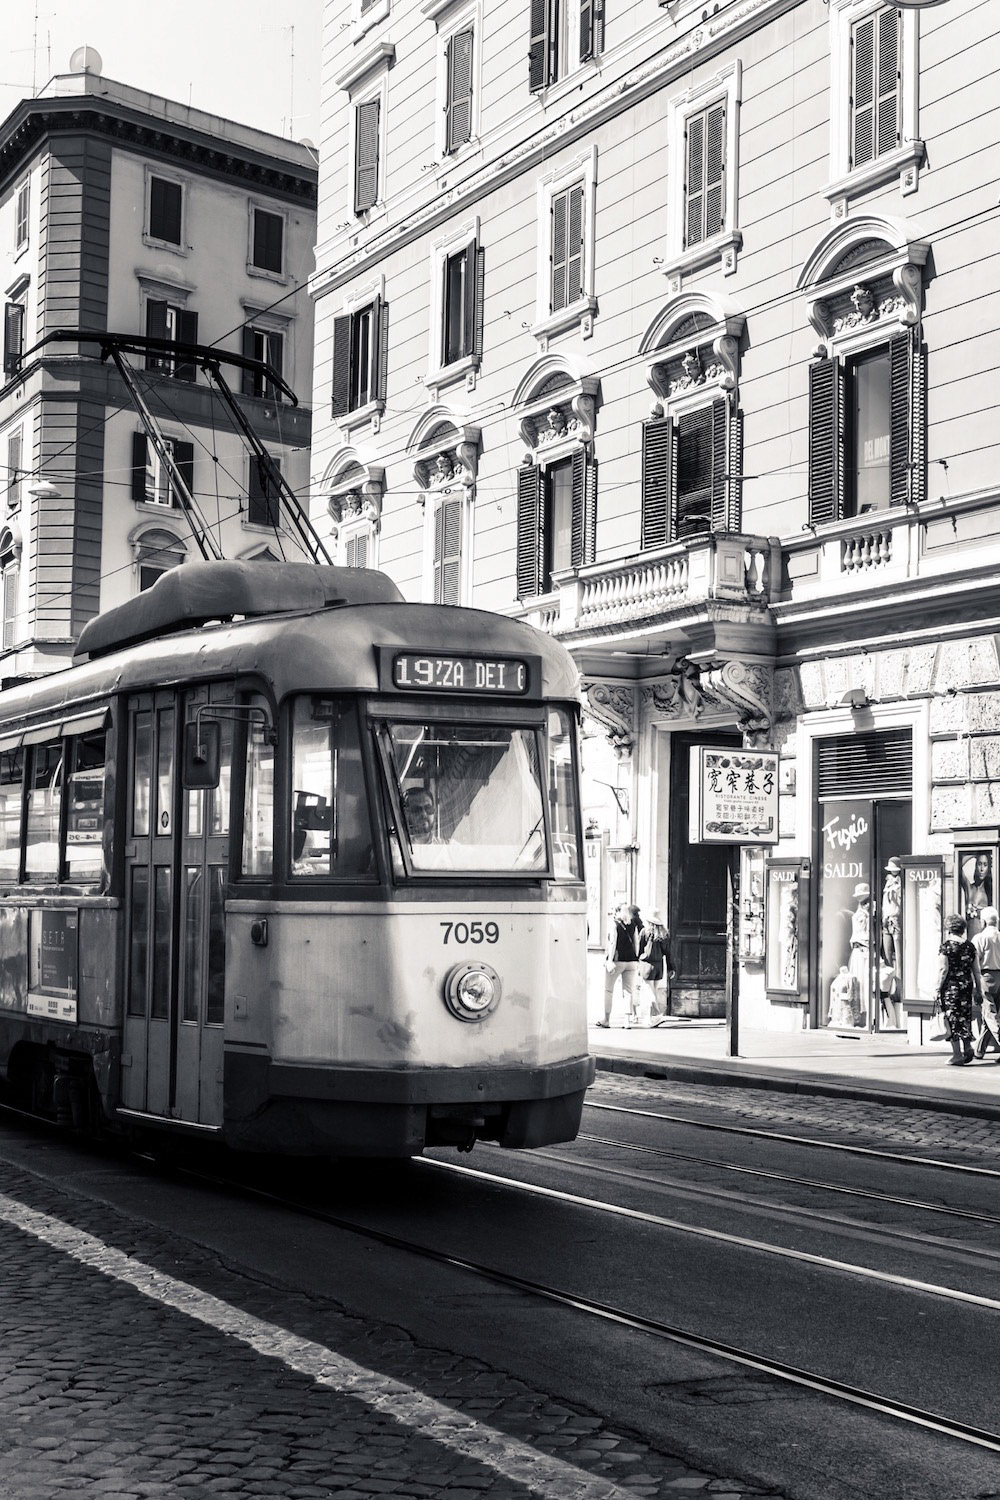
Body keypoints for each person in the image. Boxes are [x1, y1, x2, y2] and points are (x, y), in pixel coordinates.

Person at [936, 913, 983, 1065]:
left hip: (951, 988)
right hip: (966, 987)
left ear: (948, 929)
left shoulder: (947, 946)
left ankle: (957, 1054)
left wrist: (937, 988)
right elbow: (976, 971)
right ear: (963, 928)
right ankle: (968, 1046)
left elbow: (943, 969)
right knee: (965, 1016)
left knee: (952, 1019)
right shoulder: (970, 946)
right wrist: (978, 990)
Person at [599, 903, 641, 1028]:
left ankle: (606, 1020)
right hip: (631, 961)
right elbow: (636, 943)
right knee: (628, 991)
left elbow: (612, 943)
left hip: (617, 960)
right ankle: (627, 1021)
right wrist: (636, 957)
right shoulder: (633, 924)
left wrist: (609, 960)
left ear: (617, 912)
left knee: (608, 989)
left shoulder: (614, 924)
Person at [636, 911, 674, 1026]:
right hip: (659, 965)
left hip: (646, 964)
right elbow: (668, 953)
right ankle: (649, 1018)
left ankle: (657, 1014)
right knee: (653, 992)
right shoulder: (664, 934)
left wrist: (637, 963)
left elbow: (639, 949)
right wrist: (671, 968)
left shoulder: (644, 932)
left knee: (649, 992)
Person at [972, 905, 1000, 1061]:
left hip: (986, 976)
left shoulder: (979, 938)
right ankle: (979, 1050)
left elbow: (975, 963)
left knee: (990, 1015)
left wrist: (974, 984)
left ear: (983, 921)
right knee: (989, 1016)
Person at [961, 852, 992, 938]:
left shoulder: (991, 893)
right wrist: (974, 853)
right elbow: (957, 867)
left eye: (985, 865)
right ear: (976, 866)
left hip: (985, 939)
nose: (982, 869)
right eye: (979, 864)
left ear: (989, 868)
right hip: (971, 939)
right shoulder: (970, 888)